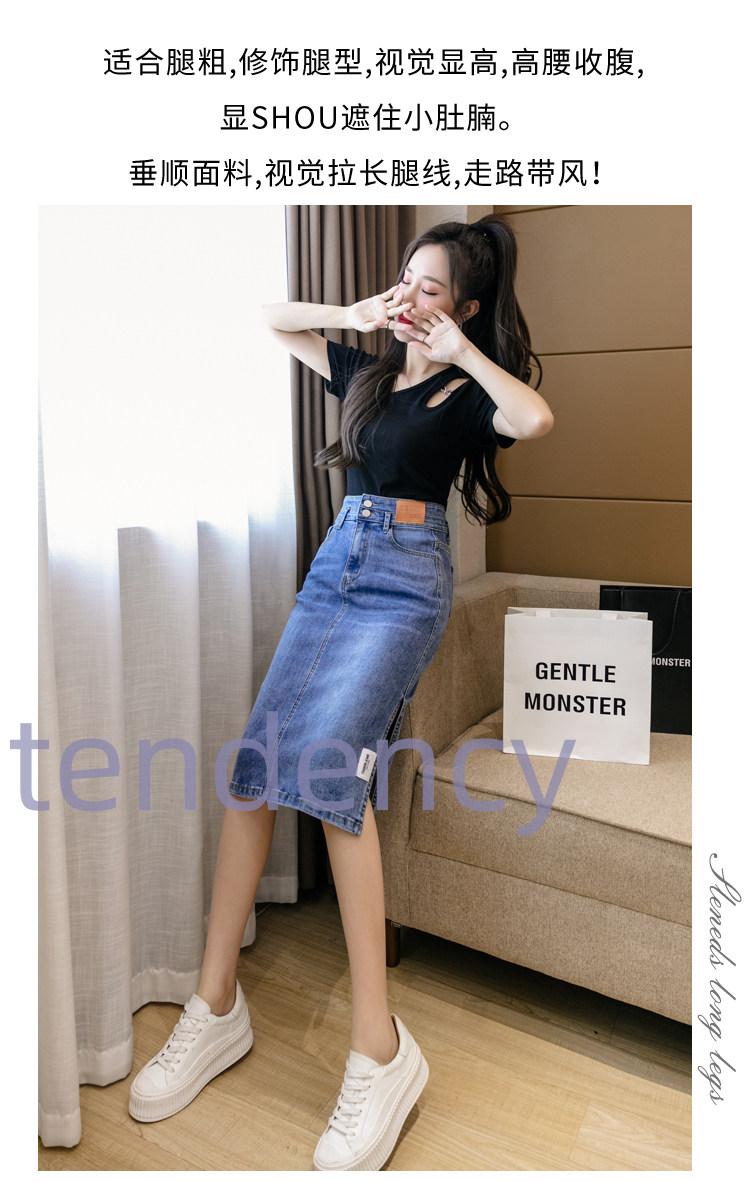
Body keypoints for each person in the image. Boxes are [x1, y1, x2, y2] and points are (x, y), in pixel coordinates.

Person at [128, 215, 554, 1170]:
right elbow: (272, 319)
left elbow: (534, 420)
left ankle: (381, 1050)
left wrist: (462, 353)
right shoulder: (364, 371)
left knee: (328, 783)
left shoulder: (463, 394)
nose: (411, 298)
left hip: (404, 584)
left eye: (430, 289)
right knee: (251, 776)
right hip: (336, 570)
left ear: (465, 308)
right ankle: (215, 1005)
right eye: (406, 280)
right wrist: (357, 312)